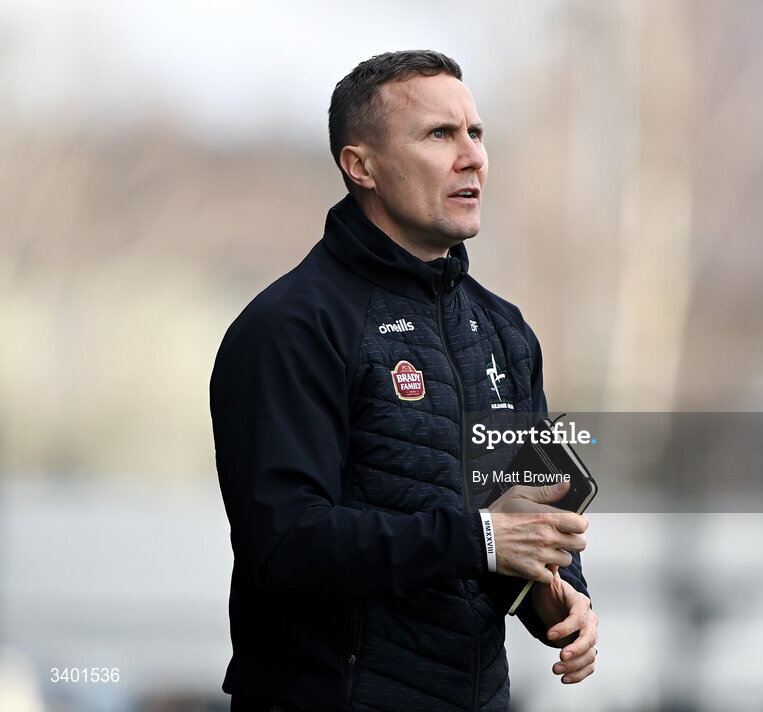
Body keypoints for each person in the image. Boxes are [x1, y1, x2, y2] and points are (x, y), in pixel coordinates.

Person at [210, 50, 598, 712]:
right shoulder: (289, 327)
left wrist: (561, 597)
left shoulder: (506, 331)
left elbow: (528, 517)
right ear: (360, 166)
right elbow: (283, 544)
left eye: (476, 133)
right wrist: (477, 539)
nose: (472, 157)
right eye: (439, 134)